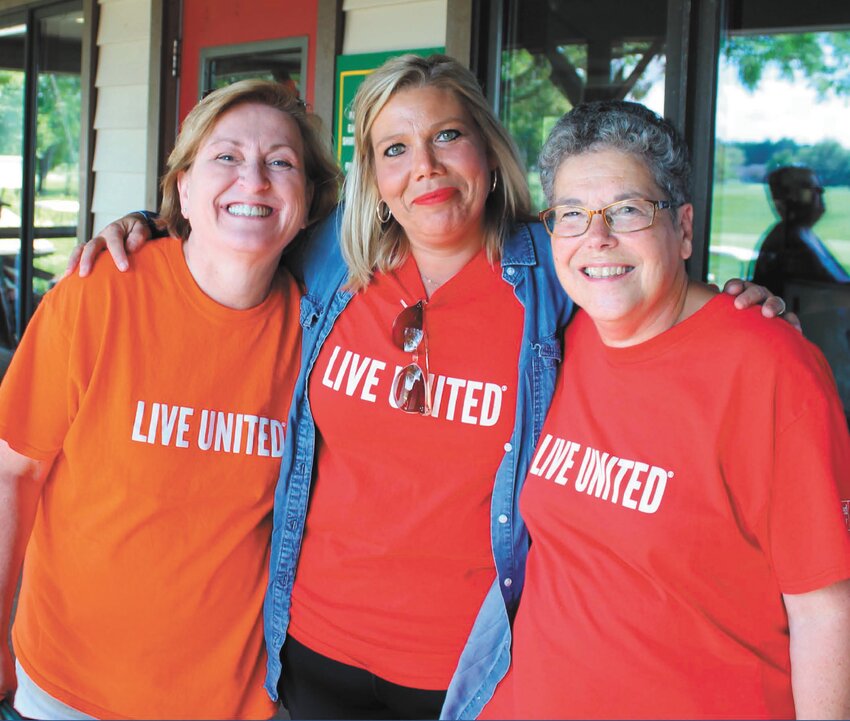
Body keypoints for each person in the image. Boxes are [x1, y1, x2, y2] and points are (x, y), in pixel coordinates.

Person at [70, 55, 789, 721]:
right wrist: (147, 224)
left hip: (466, 671)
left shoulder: (554, 272)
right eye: (394, 149)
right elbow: (241, 217)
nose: (426, 167)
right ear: (372, 177)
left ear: (487, 150)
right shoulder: (331, 259)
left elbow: (642, 288)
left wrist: (733, 303)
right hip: (309, 650)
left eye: (448, 135)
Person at [472, 100, 850, 720]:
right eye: (572, 214)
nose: (597, 237)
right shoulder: (561, 338)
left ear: (684, 229)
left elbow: (823, 606)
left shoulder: (767, 366)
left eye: (627, 210)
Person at [0, 79, 339, 720]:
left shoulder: (318, 335)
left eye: (282, 163)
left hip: (232, 703)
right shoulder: (99, 294)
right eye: (226, 157)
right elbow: (13, 471)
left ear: (309, 200)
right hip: (69, 690)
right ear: (183, 187)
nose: (255, 180)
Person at [750, 165, 850, 297]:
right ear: (796, 197)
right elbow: (829, 295)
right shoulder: (790, 243)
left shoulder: (801, 235)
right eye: (816, 190)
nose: (821, 195)